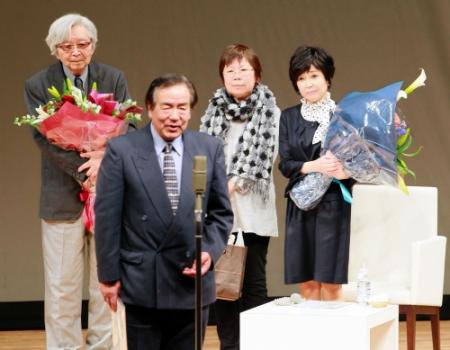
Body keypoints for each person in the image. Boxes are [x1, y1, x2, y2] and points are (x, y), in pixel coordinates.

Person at [95, 74, 234, 350]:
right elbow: (108, 219)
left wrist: (208, 250)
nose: (175, 116)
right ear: (149, 108)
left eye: (182, 107)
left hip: (191, 282)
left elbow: (221, 214)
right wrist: (108, 277)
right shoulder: (122, 150)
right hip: (143, 282)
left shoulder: (208, 148)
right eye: (166, 107)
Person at [23, 13, 130, 349]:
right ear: (54, 50)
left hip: (109, 195)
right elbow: (44, 139)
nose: (75, 52)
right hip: (61, 198)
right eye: (66, 46)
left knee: (107, 281)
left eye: (82, 44)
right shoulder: (38, 84)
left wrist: (104, 161)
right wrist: (88, 170)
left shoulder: (113, 78)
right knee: (61, 286)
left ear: (93, 46)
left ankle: (104, 346)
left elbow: (130, 128)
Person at [200, 44, 279, 350]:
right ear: (222, 76)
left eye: (243, 69)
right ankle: (229, 346)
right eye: (230, 70)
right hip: (220, 213)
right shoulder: (212, 112)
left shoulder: (270, 112)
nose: (236, 75)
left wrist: (228, 184)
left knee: (254, 284)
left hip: (254, 211)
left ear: (256, 76)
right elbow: (202, 156)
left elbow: (265, 160)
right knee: (222, 284)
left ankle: (256, 344)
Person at [278, 45, 352, 301]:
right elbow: (285, 164)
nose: (308, 84)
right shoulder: (288, 117)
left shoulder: (344, 115)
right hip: (300, 206)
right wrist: (313, 166)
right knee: (307, 282)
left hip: (333, 204)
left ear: (327, 78)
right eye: (301, 78)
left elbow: (358, 161)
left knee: (331, 283)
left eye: (313, 76)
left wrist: (345, 171)